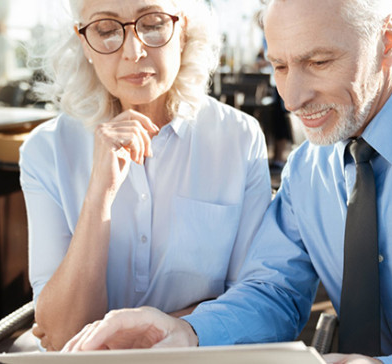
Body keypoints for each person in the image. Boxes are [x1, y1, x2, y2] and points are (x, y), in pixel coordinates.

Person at [60, 0, 392, 363]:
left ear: (388, 44)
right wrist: (189, 334)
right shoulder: (307, 172)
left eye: (319, 61)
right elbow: (273, 291)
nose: (292, 98)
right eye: (279, 66)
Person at [19, 0, 272, 351]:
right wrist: (99, 196)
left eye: (152, 25)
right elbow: (61, 333)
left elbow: (256, 302)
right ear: (83, 44)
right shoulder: (45, 151)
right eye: (106, 31)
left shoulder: (239, 138)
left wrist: (155, 334)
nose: (134, 51)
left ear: (182, 31)